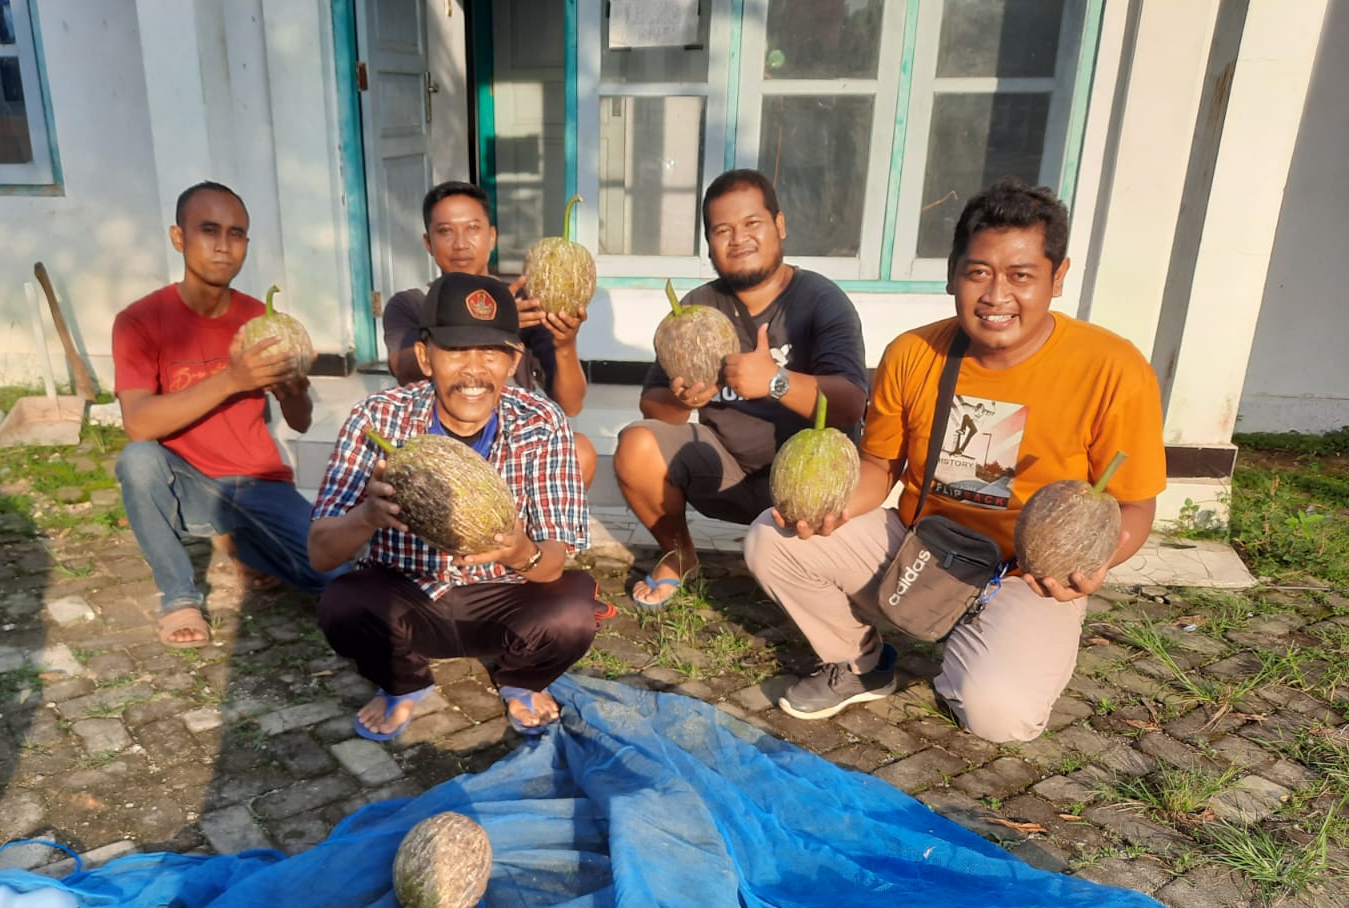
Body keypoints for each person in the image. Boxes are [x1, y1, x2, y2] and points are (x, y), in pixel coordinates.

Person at [743, 178, 1167, 743]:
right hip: (922, 545)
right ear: (952, 273)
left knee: (999, 716)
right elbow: (880, 467)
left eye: (1021, 276)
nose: (996, 295)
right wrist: (830, 510)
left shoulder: (1113, 368)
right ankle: (859, 661)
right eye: (979, 272)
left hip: (1026, 575)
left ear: (1058, 277)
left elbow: (1135, 504)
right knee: (772, 539)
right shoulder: (912, 353)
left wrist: (1092, 564)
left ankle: (977, 647)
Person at [310, 272, 595, 741]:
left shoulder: (542, 421)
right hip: (409, 599)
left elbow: (552, 561)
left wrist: (519, 552)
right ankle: (403, 681)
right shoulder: (377, 417)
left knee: (572, 615)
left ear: (513, 360)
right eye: (456, 350)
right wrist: (367, 516)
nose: (474, 370)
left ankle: (521, 679)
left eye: (491, 352)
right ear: (425, 357)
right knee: (343, 605)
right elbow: (320, 553)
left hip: (503, 599)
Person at [614, 169, 870, 609]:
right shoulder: (696, 307)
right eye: (723, 230)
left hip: (805, 484)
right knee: (635, 444)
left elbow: (851, 403)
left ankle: (813, 577)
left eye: (752, 223)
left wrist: (775, 382)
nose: (739, 239)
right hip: (725, 473)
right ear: (709, 243)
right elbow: (653, 408)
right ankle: (679, 556)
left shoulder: (820, 299)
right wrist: (682, 398)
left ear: (779, 225)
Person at [112, 181, 339, 647]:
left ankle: (244, 545)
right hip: (186, 483)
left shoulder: (263, 321)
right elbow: (138, 424)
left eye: (236, 234)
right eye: (208, 230)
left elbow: (299, 421)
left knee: (338, 579)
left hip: (257, 483)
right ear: (178, 237)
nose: (223, 245)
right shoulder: (139, 321)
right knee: (137, 460)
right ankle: (179, 597)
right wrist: (233, 379)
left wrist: (294, 390)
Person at [383, 181, 598, 488]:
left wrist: (565, 343)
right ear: (428, 243)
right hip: (437, 445)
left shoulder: (527, 303)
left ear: (492, 236)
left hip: (512, 443)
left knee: (579, 451)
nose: (460, 243)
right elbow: (402, 367)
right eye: (445, 231)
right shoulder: (411, 303)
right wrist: (485, 322)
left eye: (472, 228)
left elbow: (572, 404)